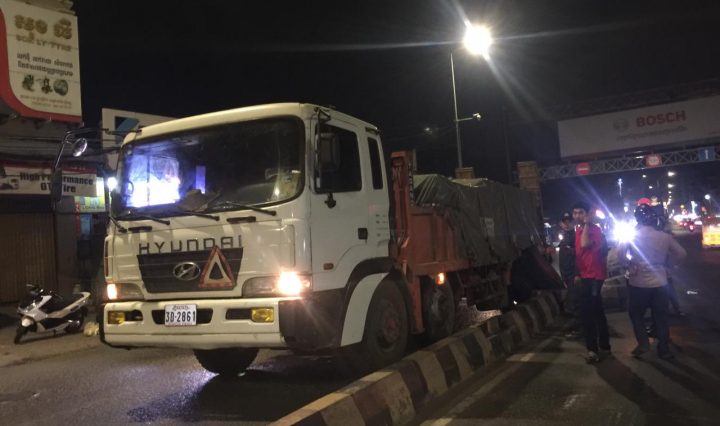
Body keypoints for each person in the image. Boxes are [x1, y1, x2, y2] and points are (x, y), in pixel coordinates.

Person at [619, 204, 686, 360]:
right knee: (661, 317)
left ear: (637, 218)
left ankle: (643, 343)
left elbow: (620, 254)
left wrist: (629, 264)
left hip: (639, 283)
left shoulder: (631, 236)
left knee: (636, 314)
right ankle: (664, 349)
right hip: (660, 282)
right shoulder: (664, 236)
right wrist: (670, 264)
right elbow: (682, 253)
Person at [572, 201, 611, 364]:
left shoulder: (594, 230)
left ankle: (593, 350)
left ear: (587, 214)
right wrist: (577, 274)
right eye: (575, 213)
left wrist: (587, 224)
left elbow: (585, 244)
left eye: (581, 212)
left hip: (594, 277)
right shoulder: (578, 230)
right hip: (585, 276)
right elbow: (579, 254)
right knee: (596, 311)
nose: (577, 216)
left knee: (588, 313)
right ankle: (604, 345)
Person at [558, 212, 581, 336]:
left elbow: (578, 255)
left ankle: (579, 329)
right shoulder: (565, 236)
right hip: (567, 274)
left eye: (569, 221)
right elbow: (562, 258)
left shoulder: (575, 236)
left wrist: (577, 274)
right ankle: (578, 328)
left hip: (573, 273)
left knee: (573, 301)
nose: (567, 224)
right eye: (564, 221)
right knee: (571, 301)